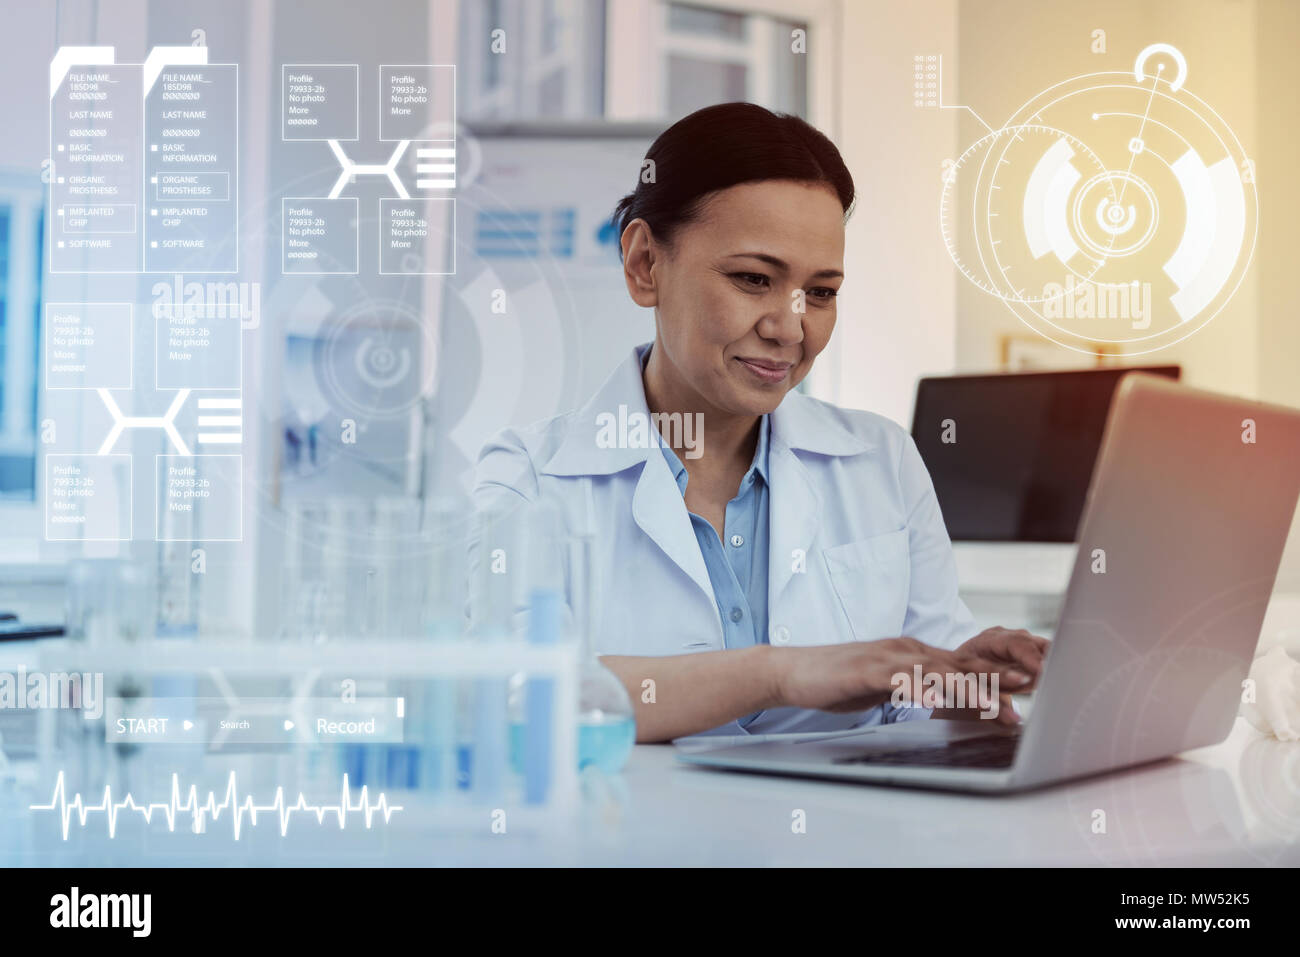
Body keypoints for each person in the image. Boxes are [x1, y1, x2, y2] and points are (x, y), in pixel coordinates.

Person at [473, 102, 1046, 742]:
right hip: (634, 840)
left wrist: (962, 685)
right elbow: (511, 695)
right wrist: (777, 674)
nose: (789, 328)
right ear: (644, 265)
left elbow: (915, 694)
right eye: (753, 279)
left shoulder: (882, 461)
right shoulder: (528, 479)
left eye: (821, 292)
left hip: (849, 840)